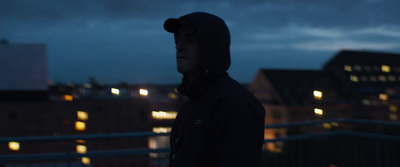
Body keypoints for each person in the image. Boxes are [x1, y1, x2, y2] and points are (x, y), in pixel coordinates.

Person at [163, 12, 265, 167]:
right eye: (178, 39)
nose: (179, 46)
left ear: (211, 48)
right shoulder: (192, 103)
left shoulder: (237, 105)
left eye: (191, 39)